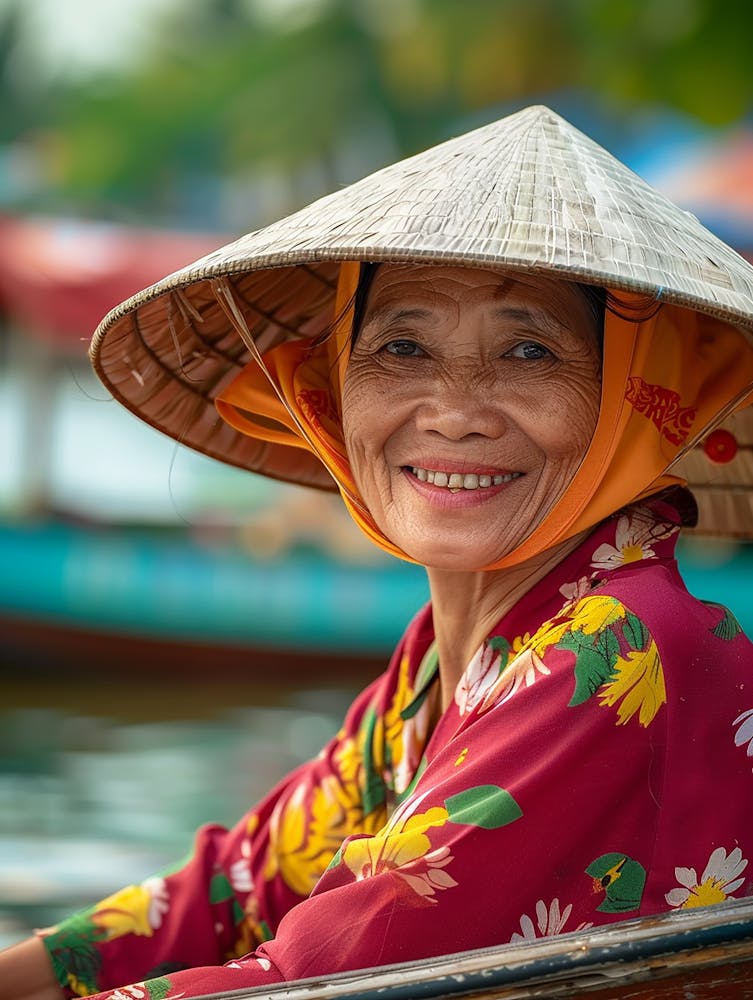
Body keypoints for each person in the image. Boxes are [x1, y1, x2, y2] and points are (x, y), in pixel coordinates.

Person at [3, 104, 753, 1000]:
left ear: (634, 394)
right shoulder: (447, 659)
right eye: (401, 346)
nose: (453, 409)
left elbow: (315, 982)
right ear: (329, 393)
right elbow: (235, 885)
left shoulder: (617, 642)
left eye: (527, 350)